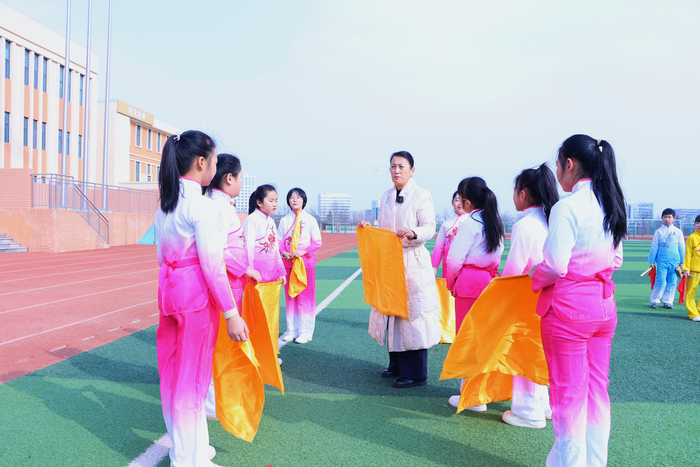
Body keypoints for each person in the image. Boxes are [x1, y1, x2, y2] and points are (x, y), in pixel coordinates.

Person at [530, 135, 626, 466]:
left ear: (569, 165)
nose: (557, 172)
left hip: (569, 311)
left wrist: (535, 274)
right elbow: (616, 260)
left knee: (568, 393)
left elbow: (555, 265)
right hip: (603, 306)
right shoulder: (610, 204)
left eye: (558, 165)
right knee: (597, 390)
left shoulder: (567, 207)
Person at [155, 131, 248, 467]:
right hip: (195, 298)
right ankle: (188, 458)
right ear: (201, 163)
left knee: (172, 378)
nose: (215, 166)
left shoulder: (166, 205)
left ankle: (190, 451)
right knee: (193, 382)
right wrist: (231, 313)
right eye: (213, 160)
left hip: (169, 294)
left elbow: (160, 257)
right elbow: (212, 265)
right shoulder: (201, 206)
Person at [359, 151, 440, 389]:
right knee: (391, 312)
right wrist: (369, 228)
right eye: (392, 166)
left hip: (412, 260)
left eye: (401, 166)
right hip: (390, 261)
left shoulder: (422, 195)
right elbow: (384, 228)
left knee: (411, 317)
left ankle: (415, 373)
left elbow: (430, 227)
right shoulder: (386, 196)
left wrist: (414, 232)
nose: (396, 170)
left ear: (412, 170)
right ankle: (396, 364)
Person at [204, 154, 262, 421]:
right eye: (240, 177)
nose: (241, 181)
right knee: (220, 345)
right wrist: (245, 269)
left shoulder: (222, 205)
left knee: (223, 345)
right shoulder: (220, 209)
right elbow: (220, 252)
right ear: (229, 178)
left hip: (232, 286)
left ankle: (219, 397)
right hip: (226, 287)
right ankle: (212, 402)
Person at [500, 164, 558, 429]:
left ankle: (527, 411)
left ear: (523, 194)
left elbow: (514, 268)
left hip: (526, 295)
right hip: (547, 296)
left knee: (523, 351)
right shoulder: (549, 221)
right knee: (538, 351)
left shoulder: (524, 225)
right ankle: (542, 405)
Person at [444, 176, 504, 410]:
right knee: (483, 339)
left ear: (466, 202)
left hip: (469, 283)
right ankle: (479, 393)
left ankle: (469, 395)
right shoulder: (494, 221)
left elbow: (454, 260)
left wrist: (451, 283)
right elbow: (497, 257)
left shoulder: (469, 223)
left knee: (467, 339)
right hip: (489, 282)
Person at [278, 188, 322, 344]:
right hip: (289, 264)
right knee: (290, 298)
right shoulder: (284, 220)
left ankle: (305, 332)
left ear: (303, 200)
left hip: (305, 265)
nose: (294, 199)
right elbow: (279, 241)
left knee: (305, 298)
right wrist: (284, 252)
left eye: (298, 197)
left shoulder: (310, 219)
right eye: (291, 197)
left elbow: (317, 242)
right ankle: (292, 330)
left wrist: (303, 251)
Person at [242, 185, 287, 285]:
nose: (275, 204)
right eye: (271, 201)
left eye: (276, 201)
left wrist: (281, 272)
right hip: (257, 275)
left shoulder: (271, 221)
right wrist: (250, 271)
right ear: (259, 202)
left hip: (272, 274)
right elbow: (247, 248)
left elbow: (275, 249)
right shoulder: (251, 219)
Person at [648, 208, 685, 309]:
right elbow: (654, 247)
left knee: (672, 281)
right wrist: (652, 261)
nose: (667, 219)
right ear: (662, 218)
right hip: (662, 261)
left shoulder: (678, 232)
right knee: (661, 280)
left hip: (675, 262)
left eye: (669, 217)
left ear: (674, 218)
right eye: (665, 217)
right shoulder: (658, 232)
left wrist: (682, 262)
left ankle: (668, 301)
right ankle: (655, 300)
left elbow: (682, 247)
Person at [431, 191, 467, 276]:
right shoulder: (446, 223)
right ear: (452, 203)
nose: (460, 203)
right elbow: (439, 246)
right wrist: (434, 266)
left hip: (466, 267)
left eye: (463, 200)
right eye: (457, 200)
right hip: (448, 267)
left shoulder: (472, 221)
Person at [682, 215, 700, 321]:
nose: (699, 225)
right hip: (693, 271)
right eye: (697, 223)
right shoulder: (692, 238)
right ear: (694, 224)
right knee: (691, 292)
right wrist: (686, 269)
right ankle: (693, 314)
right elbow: (688, 254)